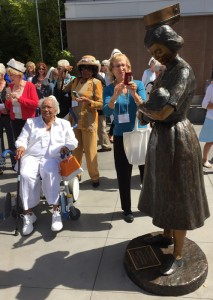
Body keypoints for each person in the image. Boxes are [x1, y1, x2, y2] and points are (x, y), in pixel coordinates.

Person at [137, 22, 210, 275]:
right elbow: (155, 107)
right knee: (164, 188)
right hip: (162, 136)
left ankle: (178, 253)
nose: (156, 55)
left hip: (177, 136)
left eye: (158, 49)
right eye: (152, 51)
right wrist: (148, 111)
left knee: (178, 193)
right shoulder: (166, 70)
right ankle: (167, 236)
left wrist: (143, 110)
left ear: (171, 43)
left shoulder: (183, 71)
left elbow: (165, 109)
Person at [15, 95, 78, 235]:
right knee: (25, 175)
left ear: (55, 110)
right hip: (31, 156)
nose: (46, 110)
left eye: (49, 107)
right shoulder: (31, 122)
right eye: (43, 107)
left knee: (51, 173)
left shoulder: (64, 124)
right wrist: (20, 146)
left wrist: (67, 146)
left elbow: (73, 142)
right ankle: (28, 214)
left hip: (53, 157)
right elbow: (22, 139)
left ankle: (56, 211)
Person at [103, 53, 146, 223]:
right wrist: (114, 95)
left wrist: (135, 94)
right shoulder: (108, 88)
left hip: (140, 133)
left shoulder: (139, 84)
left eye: (124, 65)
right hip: (121, 136)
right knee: (123, 174)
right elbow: (106, 111)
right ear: (112, 70)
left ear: (128, 68)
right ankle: (127, 209)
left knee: (146, 173)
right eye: (117, 66)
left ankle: (148, 204)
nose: (121, 68)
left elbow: (144, 108)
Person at [63, 55, 103, 187]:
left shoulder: (96, 83)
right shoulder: (75, 81)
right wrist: (63, 73)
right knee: (75, 150)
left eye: (89, 69)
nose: (86, 71)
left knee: (91, 151)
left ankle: (95, 177)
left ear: (93, 71)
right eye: (84, 68)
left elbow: (101, 104)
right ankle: (76, 175)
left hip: (89, 122)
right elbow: (62, 89)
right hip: (74, 121)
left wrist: (88, 101)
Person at [5, 58, 39, 140]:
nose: (10, 77)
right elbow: (8, 107)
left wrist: (19, 98)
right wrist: (8, 100)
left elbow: (35, 104)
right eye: (9, 75)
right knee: (18, 143)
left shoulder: (29, 86)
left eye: (12, 75)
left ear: (19, 75)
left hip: (28, 121)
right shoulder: (10, 87)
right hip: (15, 120)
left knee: (30, 144)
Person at [0, 63, 16, 174]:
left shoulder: (9, 86)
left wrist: (8, 108)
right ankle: (1, 165)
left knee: (12, 140)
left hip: (8, 116)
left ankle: (14, 163)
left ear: (2, 74)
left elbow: (12, 102)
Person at [96, 61, 112, 152]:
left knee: (102, 126)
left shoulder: (99, 78)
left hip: (100, 105)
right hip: (99, 104)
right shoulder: (100, 77)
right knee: (101, 126)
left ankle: (106, 145)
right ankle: (105, 144)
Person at [199, 82, 213, 168]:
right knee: (210, 141)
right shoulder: (211, 88)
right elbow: (204, 104)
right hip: (211, 119)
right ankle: (204, 159)